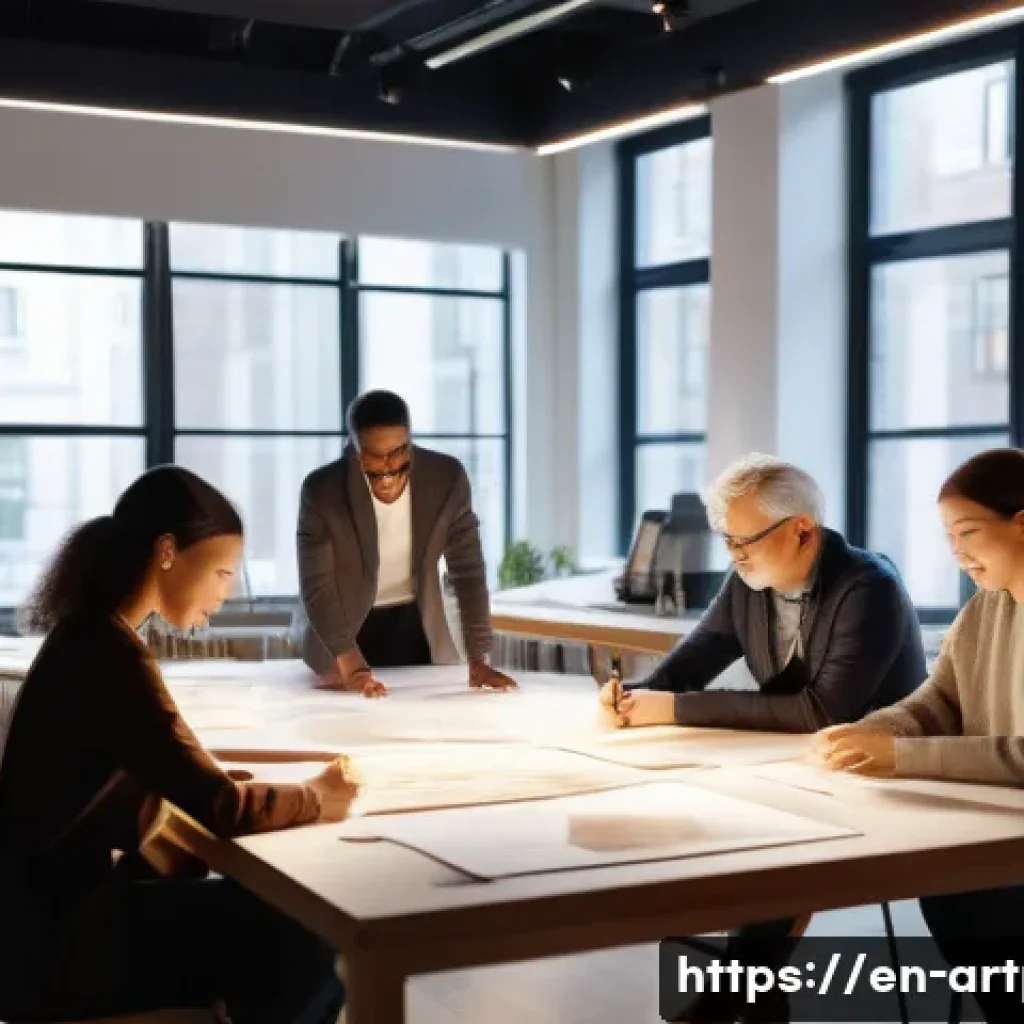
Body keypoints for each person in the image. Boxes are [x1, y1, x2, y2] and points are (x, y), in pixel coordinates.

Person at [0, 466, 358, 1024]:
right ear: (167, 551)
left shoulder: (89, 635)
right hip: (63, 947)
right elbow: (220, 806)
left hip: (40, 928)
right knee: (304, 932)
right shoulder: (111, 655)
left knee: (261, 917)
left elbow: (170, 776)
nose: (224, 594)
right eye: (220, 572)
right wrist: (315, 796)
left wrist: (217, 788)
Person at [599, 454, 926, 1024]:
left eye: (743, 539)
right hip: (799, 772)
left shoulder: (868, 588)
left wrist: (671, 709)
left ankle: (721, 1004)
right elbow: (688, 665)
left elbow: (823, 711)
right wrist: (632, 696)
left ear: (802, 530)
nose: (733, 553)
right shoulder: (750, 583)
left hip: (878, 782)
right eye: (727, 539)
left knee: (776, 853)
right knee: (736, 840)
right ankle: (745, 1003)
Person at [816, 447, 1024, 1024]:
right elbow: (938, 701)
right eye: (948, 537)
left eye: (969, 532)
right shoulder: (984, 609)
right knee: (945, 885)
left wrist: (903, 756)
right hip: (988, 829)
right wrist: (869, 731)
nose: (957, 552)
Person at [297, 389, 516, 697]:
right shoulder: (322, 491)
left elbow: (467, 571)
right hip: (343, 631)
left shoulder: (446, 478)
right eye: (374, 467)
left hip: (413, 622)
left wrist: (478, 658)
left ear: (410, 441)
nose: (387, 477)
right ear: (354, 450)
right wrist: (349, 662)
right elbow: (318, 586)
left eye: (398, 460)